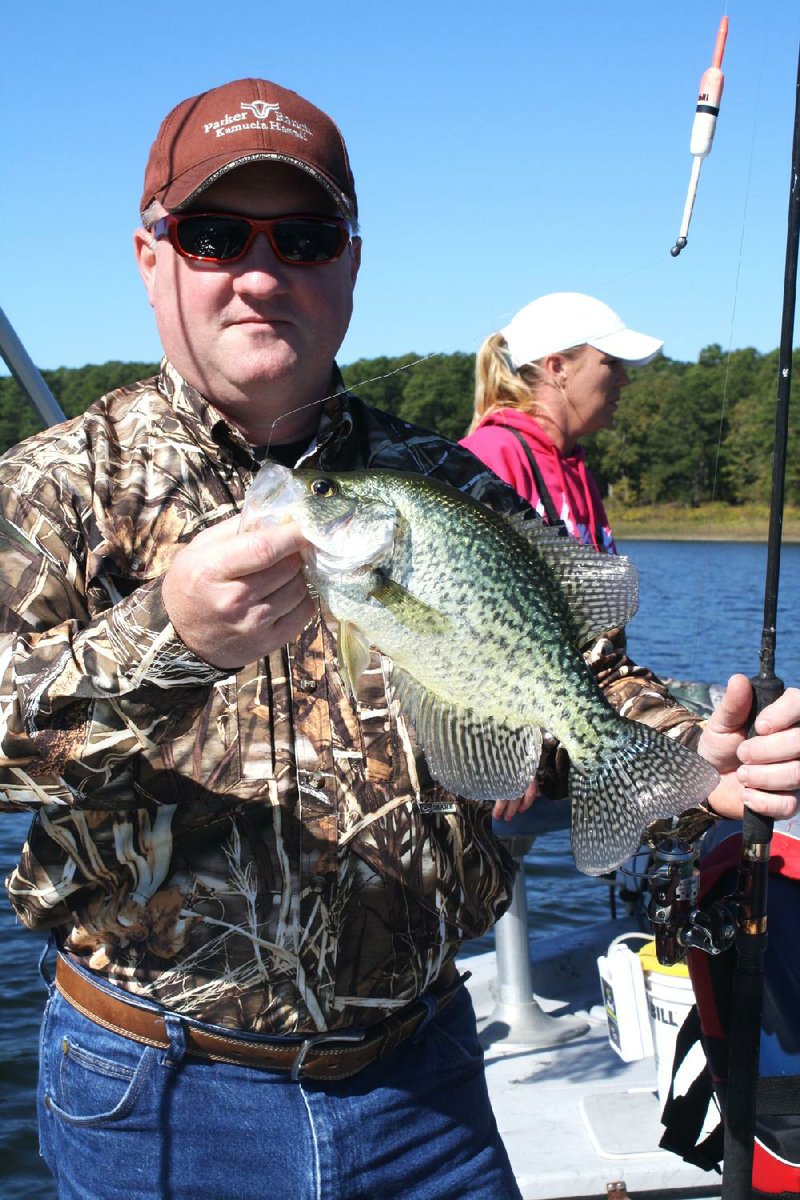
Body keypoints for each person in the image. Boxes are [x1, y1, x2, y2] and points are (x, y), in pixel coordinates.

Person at [0, 83, 795, 1200]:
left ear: (352, 264)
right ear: (150, 256)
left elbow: (585, 674)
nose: (262, 273)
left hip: (422, 1080)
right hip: (156, 1094)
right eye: (217, 236)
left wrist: (687, 754)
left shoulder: (444, 486)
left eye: (306, 237)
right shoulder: (50, 490)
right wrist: (165, 640)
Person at [459, 293, 800, 829]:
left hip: (588, 699)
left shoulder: (573, 466)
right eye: (611, 364)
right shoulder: (492, 458)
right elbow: (466, 621)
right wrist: (505, 739)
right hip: (531, 730)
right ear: (557, 368)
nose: (624, 381)